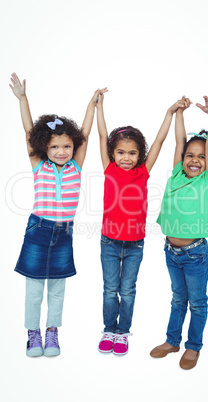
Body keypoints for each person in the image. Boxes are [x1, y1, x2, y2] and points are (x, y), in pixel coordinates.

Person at [10, 72, 106, 357]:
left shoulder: (76, 166)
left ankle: (52, 332)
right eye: (54, 146)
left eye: (66, 146)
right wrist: (23, 98)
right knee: (34, 286)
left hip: (64, 231)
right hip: (38, 229)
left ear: (73, 147)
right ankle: (33, 334)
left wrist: (92, 105)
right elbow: (28, 130)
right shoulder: (40, 166)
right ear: (43, 148)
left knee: (57, 287)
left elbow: (86, 134)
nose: (62, 151)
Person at [96, 91, 181, 356]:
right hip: (109, 242)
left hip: (134, 244)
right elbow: (101, 135)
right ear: (112, 153)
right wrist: (100, 106)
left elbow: (159, 140)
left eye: (132, 153)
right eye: (120, 152)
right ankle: (108, 329)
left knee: (128, 290)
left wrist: (169, 113)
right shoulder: (109, 168)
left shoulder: (142, 172)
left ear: (139, 155)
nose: (126, 157)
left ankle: (122, 333)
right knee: (110, 289)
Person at [150, 96, 208, 369]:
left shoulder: (207, 180)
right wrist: (179, 113)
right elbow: (179, 141)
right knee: (177, 298)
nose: (194, 160)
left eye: (202, 156)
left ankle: (193, 346)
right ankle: (172, 341)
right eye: (190, 155)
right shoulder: (176, 175)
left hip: (195, 255)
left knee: (196, 303)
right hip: (171, 252)